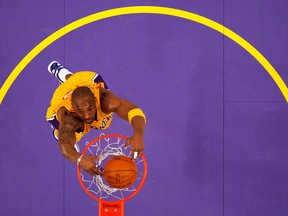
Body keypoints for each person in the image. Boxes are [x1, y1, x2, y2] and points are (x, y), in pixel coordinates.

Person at [46, 61, 146, 176]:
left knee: (73, 79)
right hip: (61, 97)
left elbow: (134, 111)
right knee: (64, 133)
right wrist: (79, 159)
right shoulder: (68, 117)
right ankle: (63, 77)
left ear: (95, 101)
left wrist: (138, 135)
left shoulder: (107, 101)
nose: (87, 116)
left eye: (90, 109)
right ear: (74, 109)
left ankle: (63, 73)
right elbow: (64, 143)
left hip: (84, 80)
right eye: (81, 111)